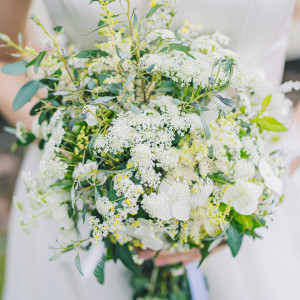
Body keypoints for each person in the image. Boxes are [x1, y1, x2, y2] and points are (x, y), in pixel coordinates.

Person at [1, 0, 298, 299]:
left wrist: (277, 168)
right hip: (80, 202)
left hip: (250, 188)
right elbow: (4, 59)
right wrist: (71, 144)